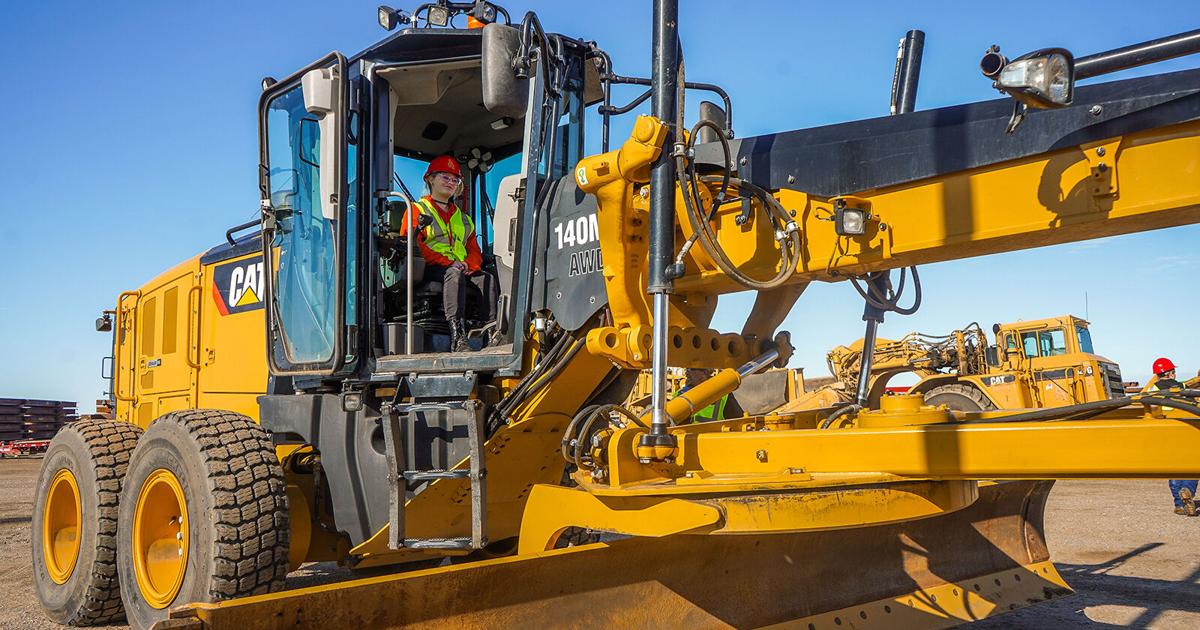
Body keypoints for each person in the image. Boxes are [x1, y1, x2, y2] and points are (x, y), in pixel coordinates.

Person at [400, 155, 496, 352]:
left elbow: (474, 250)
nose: (451, 182)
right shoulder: (416, 210)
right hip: (430, 267)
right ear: (430, 179)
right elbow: (413, 245)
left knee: (486, 278)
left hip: (460, 267)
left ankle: (492, 333)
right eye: (445, 177)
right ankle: (458, 338)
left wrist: (469, 264)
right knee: (454, 275)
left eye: (455, 179)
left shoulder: (464, 219)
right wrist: (448, 263)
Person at [1151, 357, 1197, 516]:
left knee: (1174, 466)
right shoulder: (1181, 388)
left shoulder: (1152, 390)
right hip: (1184, 427)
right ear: (1170, 373)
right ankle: (1188, 490)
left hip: (1165, 430)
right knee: (1192, 464)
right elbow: (1193, 403)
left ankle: (1179, 504)